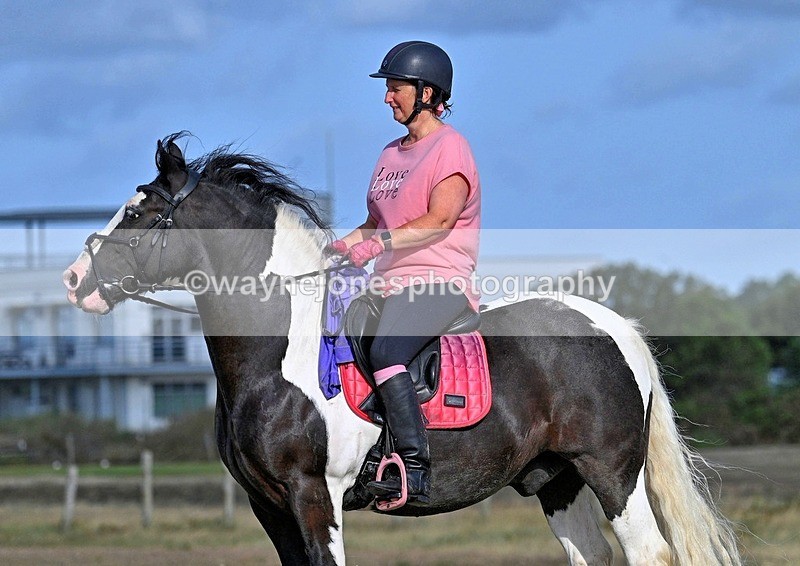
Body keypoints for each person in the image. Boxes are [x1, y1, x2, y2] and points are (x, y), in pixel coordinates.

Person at [331, 40, 481, 505]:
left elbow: (437, 222)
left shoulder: (451, 149)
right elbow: (374, 225)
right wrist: (336, 247)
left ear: (427, 92)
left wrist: (377, 243)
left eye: (396, 88)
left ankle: (414, 469)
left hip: (439, 280)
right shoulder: (389, 154)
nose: (387, 97)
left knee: (386, 352)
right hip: (387, 284)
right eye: (388, 89)